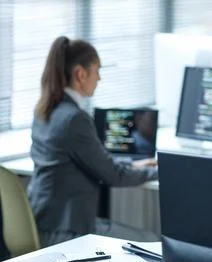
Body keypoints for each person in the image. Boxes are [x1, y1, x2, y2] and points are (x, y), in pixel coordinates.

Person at [28, 36, 159, 247]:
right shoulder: (74, 119)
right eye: (97, 71)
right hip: (64, 231)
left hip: (41, 223)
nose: (99, 78)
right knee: (153, 243)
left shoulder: (45, 110)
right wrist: (161, 171)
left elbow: (98, 162)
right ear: (81, 74)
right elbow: (113, 175)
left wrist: (133, 165)